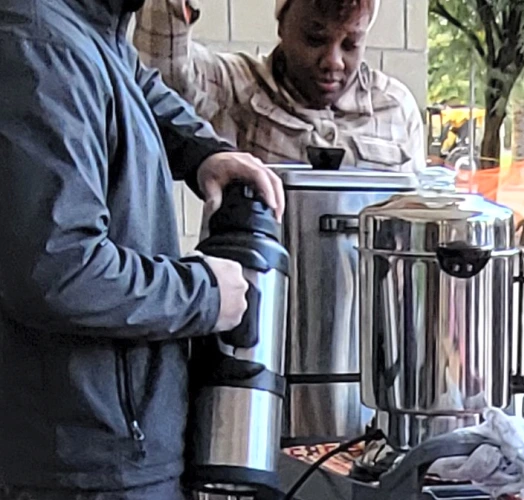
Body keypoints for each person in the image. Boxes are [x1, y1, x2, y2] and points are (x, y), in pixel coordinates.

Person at [0, 0, 285, 498]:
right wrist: (205, 294)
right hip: (82, 466)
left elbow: (132, 82)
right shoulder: (40, 47)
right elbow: (60, 271)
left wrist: (204, 152)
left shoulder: (90, 26)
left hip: (107, 450)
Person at [133, 0, 425, 173]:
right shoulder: (237, 87)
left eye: (350, 44)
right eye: (315, 39)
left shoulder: (397, 107)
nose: (333, 61)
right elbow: (162, 73)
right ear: (282, 26)